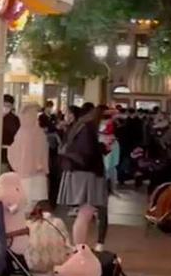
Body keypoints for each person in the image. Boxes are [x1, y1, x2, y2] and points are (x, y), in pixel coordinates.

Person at [58, 104, 109, 248]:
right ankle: (79, 249)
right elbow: (88, 153)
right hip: (87, 174)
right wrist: (102, 148)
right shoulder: (88, 128)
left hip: (77, 171)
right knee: (86, 212)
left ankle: (78, 248)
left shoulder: (80, 126)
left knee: (84, 212)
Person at [7, 103, 50, 206]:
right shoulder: (36, 132)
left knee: (26, 202)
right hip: (34, 173)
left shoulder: (24, 133)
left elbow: (13, 152)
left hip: (26, 174)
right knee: (30, 202)